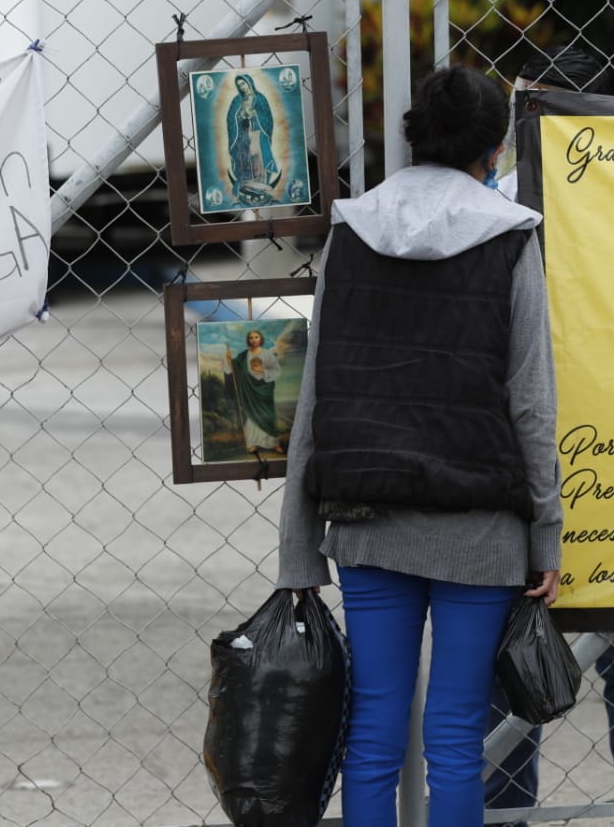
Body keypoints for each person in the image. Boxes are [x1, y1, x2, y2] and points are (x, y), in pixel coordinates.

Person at [277, 64, 563, 827]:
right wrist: (547, 536)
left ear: (413, 136)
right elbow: (531, 403)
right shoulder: (510, 237)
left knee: (372, 735)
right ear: (494, 147)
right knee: (456, 742)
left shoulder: (351, 229)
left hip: (369, 520)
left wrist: (298, 550)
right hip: (480, 528)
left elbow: (316, 398)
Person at [486, 45, 614, 827]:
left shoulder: (528, 199)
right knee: (600, 656)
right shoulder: (511, 203)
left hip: (574, 456)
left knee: (571, 654)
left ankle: (525, 814)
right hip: (578, 455)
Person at [223, 329, 282, 454]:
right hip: (248, 392)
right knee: (251, 417)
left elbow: (277, 371)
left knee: (268, 417)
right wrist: (228, 360)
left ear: (261, 339)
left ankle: (273, 443)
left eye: (256, 337)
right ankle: (252, 443)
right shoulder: (244, 355)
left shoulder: (267, 354)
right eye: (251, 337)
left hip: (264, 391)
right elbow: (233, 368)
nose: (254, 339)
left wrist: (263, 371)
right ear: (248, 340)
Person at [226, 72, 279, 202]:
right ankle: (246, 184)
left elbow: (267, 118)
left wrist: (255, 115)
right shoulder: (237, 101)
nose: (242, 87)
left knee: (257, 156)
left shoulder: (260, 98)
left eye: (243, 83)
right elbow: (230, 119)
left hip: (257, 133)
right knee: (244, 158)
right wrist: (240, 117)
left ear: (249, 83)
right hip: (243, 135)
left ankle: (260, 184)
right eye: (239, 85)